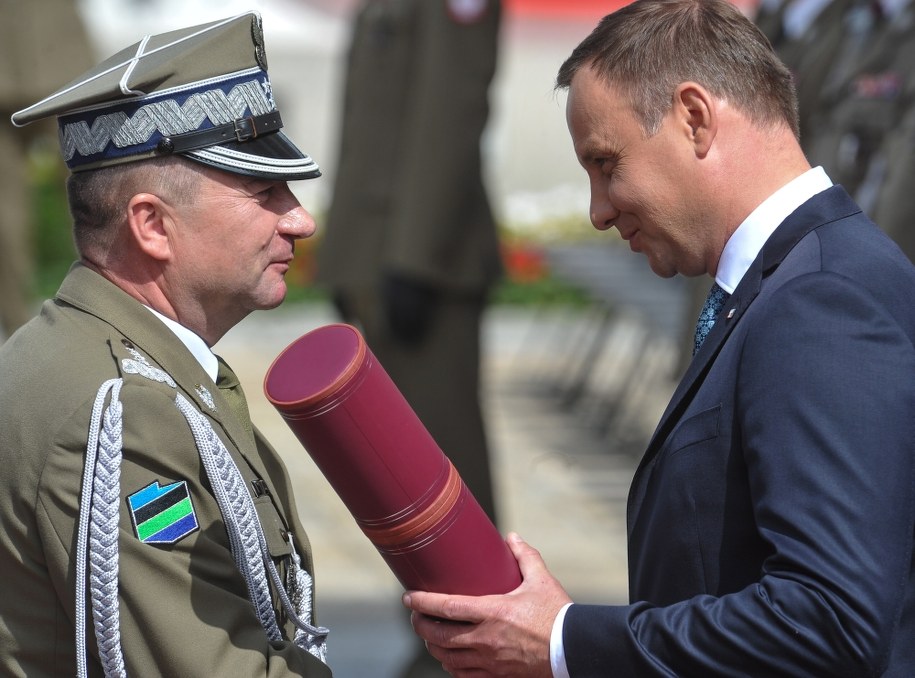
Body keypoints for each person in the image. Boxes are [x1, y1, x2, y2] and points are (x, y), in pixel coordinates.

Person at [402, 0, 915, 675]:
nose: (597, 210)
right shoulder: (795, 283)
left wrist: (562, 641)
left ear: (694, 118)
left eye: (606, 163)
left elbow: (828, 622)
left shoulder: (819, 303)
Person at [0, 13, 334, 677]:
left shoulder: (102, 356)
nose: (300, 219)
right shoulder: (124, 415)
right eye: (264, 192)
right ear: (151, 225)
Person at [316, 0, 503, 527]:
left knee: (446, 471)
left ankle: (479, 585)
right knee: (399, 477)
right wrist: (346, 253)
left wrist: (416, 259)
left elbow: (452, 109)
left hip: (424, 264)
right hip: (376, 254)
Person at [0, 0, 94, 340]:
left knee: (97, 189)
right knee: (97, 190)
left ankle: (20, 337)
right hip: (60, 57)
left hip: (57, 55)